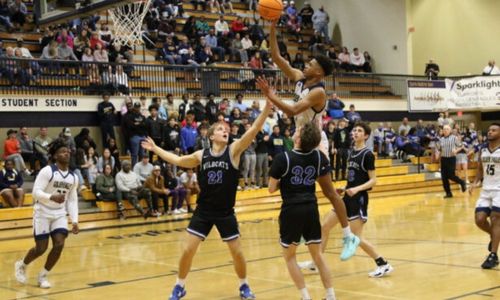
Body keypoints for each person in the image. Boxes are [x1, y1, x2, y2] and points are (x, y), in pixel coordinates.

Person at [141, 100, 274, 300]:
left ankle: (244, 285)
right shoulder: (201, 155)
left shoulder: (234, 150)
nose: (225, 131)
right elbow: (177, 160)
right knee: (187, 250)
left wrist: (267, 107)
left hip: (225, 212)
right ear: (211, 136)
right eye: (220, 129)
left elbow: (254, 129)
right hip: (203, 211)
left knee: (237, 253)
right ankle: (179, 286)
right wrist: (155, 149)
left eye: (226, 129)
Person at [260, 19, 359, 259]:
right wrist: (272, 28)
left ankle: (348, 235)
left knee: (329, 192)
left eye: (311, 63)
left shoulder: (318, 91)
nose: (305, 64)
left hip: (315, 142)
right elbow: (276, 57)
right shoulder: (299, 78)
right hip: (299, 138)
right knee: (297, 187)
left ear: (319, 72)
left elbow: (292, 111)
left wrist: (271, 97)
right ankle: (308, 229)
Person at [269, 123, 340, 300]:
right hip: (311, 208)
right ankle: (330, 295)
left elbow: (271, 188)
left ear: (299, 139)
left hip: (291, 210)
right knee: (317, 255)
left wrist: (286, 181)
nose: (294, 132)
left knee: (290, 256)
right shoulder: (318, 157)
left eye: (297, 131)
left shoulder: (282, 158)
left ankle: (305, 296)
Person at [315, 122, 394, 278]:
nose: (355, 132)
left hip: (359, 199)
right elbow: (354, 179)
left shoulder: (368, 154)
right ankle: (317, 262)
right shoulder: (352, 152)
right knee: (324, 226)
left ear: (365, 136)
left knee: (356, 238)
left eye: (359, 131)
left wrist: (357, 189)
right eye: (354, 130)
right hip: (346, 197)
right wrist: (345, 188)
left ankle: (383, 263)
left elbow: (373, 180)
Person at [15, 139, 79, 288]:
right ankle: (22, 264)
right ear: (55, 156)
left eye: (67, 151)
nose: (66, 153)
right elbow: (36, 193)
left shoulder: (73, 177)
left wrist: (74, 220)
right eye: (63, 151)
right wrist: (51, 197)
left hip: (59, 214)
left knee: (59, 244)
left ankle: (43, 275)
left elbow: (72, 200)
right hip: (42, 212)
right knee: (41, 249)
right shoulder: (48, 171)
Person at [469, 123, 500, 269]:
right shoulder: (483, 150)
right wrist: (475, 182)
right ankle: (494, 236)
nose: (490, 132)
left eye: (494, 130)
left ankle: (493, 255)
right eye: (489, 130)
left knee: (495, 218)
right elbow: (480, 168)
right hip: (486, 189)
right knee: (479, 219)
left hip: (499, 190)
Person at [436, 125, 467, 198]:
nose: (445, 130)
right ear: (443, 131)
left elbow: (461, 145)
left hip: (451, 159)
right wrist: (438, 158)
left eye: (447, 129)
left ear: (450, 131)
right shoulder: (441, 139)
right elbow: (439, 150)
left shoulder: (454, 138)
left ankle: (462, 182)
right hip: (443, 159)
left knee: (450, 175)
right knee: (444, 178)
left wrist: (456, 150)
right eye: (444, 129)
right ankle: (448, 193)